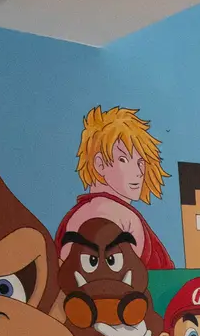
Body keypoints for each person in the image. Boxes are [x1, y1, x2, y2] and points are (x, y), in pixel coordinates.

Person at [58, 106, 175, 270]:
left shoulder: (82, 213)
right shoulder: (111, 213)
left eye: (140, 162)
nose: (138, 172)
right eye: (123, 160)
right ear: (99, 164)